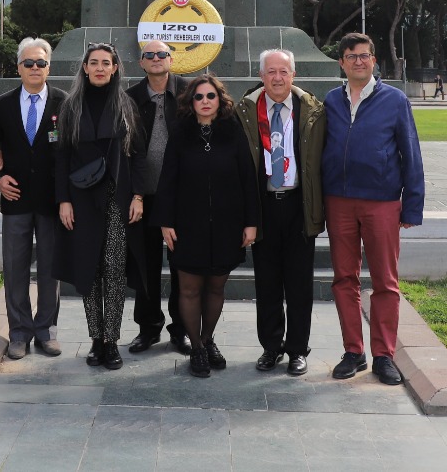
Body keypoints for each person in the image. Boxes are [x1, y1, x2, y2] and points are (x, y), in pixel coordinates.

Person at [322, 32, 424, 386]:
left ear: (374, 60)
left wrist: (412, 206)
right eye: (352, 56)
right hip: (339, 201)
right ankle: (354, 351)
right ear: (342, 63)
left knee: (385, 282)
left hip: (381, 202)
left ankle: (384, 355)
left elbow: (411, 153)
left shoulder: (394, 100)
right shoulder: (331, 100)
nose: (359, 61)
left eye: (365, 56)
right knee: (344, 279)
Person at [156, 72, 258, 378]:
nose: (204, 101)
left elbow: (248, 179)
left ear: (219, 100)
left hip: (227, 224)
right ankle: (196, 349)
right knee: (189, 290)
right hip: (187, 225)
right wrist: (165, 221)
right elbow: (168, 179)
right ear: (191, 101)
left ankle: (207, 339)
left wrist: (251, 222)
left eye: (210, 96)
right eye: (198, 96)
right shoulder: (180, 132)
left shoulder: (233, 131)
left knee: (216, 287)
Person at [53, 43, 143, 370]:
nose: (100, 68)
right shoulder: (70, 107)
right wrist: (63, 200)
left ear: (116, 68)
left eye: (107, 63)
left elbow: (139, 155)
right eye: (94, 63)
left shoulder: (127, 105)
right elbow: (61, 157)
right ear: (85, 68)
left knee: (115, 273)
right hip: (81, 200)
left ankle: (112, 341)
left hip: (118, 201)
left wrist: (139, 196)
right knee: (90, 273)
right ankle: (95, 340)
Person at [239, 49, 325, 376]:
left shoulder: (313, 110)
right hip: (263, 206)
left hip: (299, 205)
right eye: (271, 72)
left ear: (294, 75)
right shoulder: (245, 111)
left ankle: (297, 350)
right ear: (262, 76)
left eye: (283, 72)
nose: (277, 78)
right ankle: (271, 347)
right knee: (267, 283)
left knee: (300, 284)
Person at [0, 38, 66, 360]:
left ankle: (46, 331)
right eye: (28, 63)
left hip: (51, 202)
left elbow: (70, 152)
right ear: (18, 67)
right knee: (15, 269)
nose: (35, 68)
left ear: (49, 67)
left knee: (50, 270)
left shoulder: (64, 102)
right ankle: (18, 333)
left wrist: (66, 198)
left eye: (41, 63)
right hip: (15, 198)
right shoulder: (2, 105)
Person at [124, 40, 190, 355]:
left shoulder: (190, 93)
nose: (155, 59)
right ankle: (148, 328)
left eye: (161, 54)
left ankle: (182, 330)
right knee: (145, 266)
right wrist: (134, 193)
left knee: (182, 265)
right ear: (141, 62)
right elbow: (126, 150)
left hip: (180, 197)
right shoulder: (130, 98)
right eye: (149, 55)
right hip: (144, 196)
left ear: (171, 59)